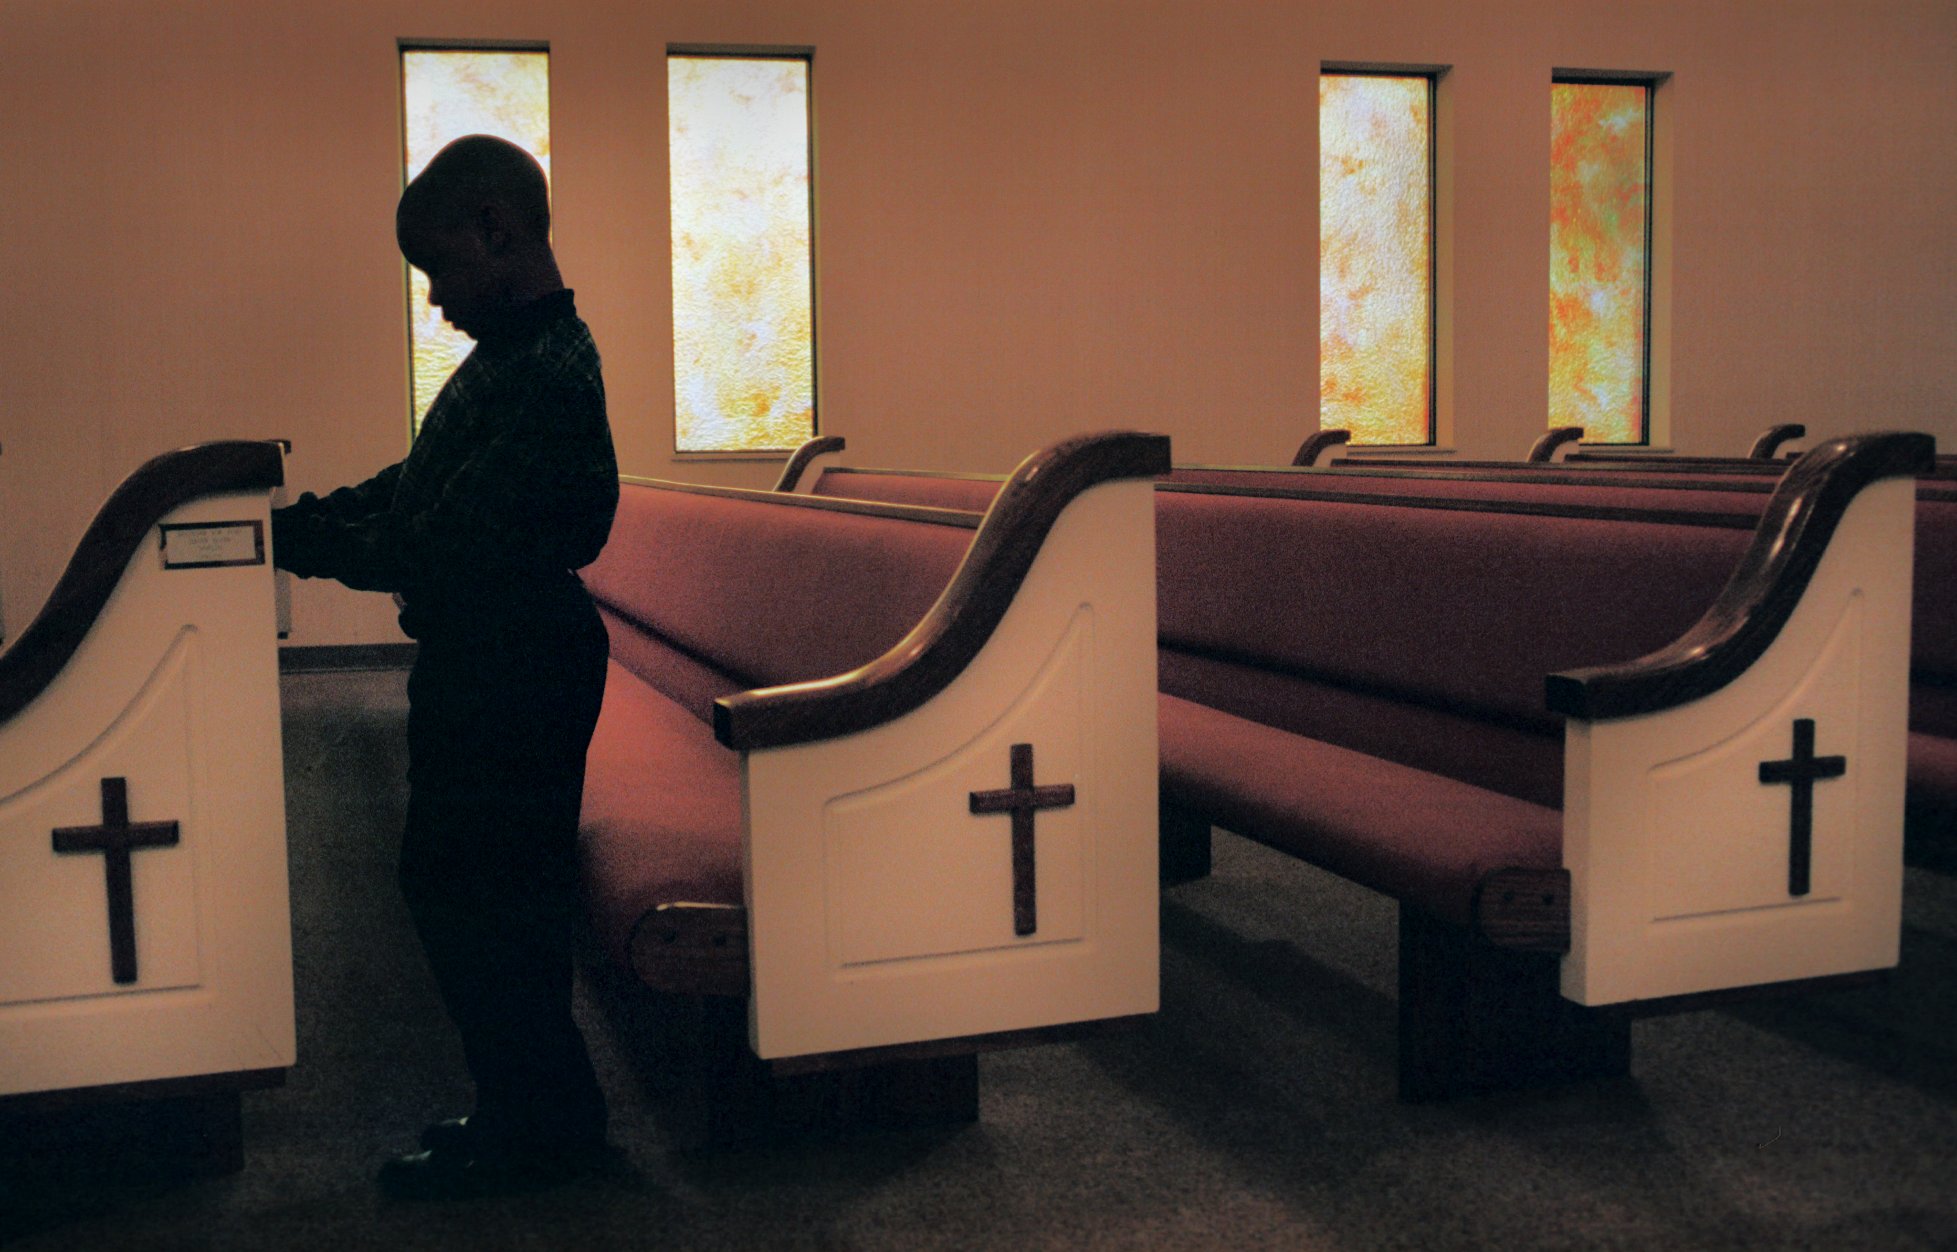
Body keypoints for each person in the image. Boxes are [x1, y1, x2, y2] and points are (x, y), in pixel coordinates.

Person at [272, 134, 619, 1200]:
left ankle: (542, 1126)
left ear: (496, 232)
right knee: (478, 892)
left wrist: (307, 544)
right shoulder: (513, 359)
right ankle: (540, 1113)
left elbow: (446, 538)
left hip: (520, 664)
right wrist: (314, 519)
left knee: (485, 896)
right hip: (494, 657)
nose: (436, 301)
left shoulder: (551, 370)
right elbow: (422, 482)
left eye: (438, 271)